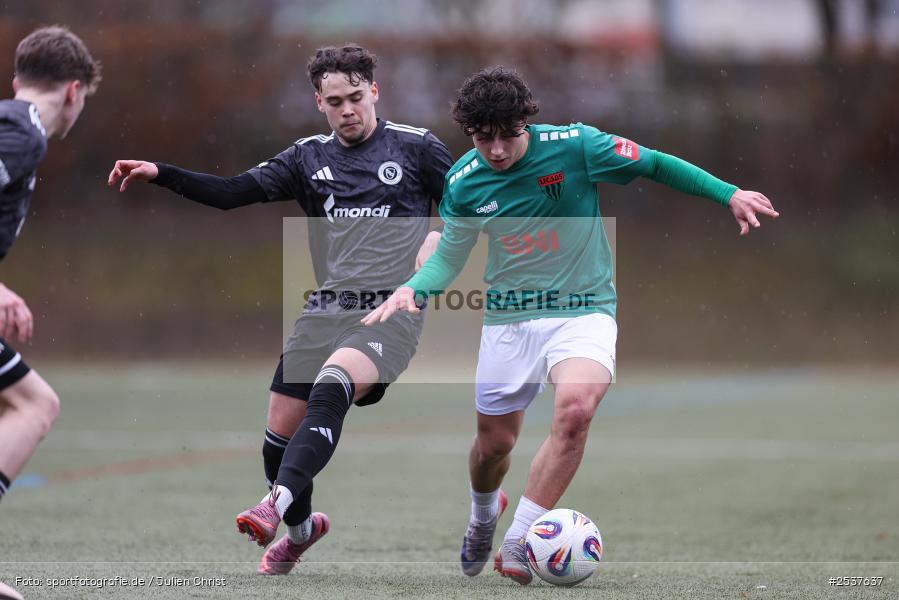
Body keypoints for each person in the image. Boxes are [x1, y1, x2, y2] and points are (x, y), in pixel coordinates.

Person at [363, 66, 779, 585]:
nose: (495, 149)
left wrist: (727, 194)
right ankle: (483, 514)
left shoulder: (577, 145)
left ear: (525, 122)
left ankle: (517, 541)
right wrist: (413, 289)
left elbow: (655, 164)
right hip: (509, 323)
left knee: (576, 411)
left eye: (506, 135)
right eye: (482, 138)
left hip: (584, 310)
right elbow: (450, 256)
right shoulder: (465, 181)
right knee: (493, 447)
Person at [108, 45, 452, 576]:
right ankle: (301, 530)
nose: (347, 110)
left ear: (374, 92)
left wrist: (438, 244)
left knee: (331, 386)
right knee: (277, 442)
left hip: (391, 312)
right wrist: (162, 173)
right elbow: (230, 193)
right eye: (334, 101)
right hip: (326, 309)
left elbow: (471, 212)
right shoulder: (307, 158)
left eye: (356, 98)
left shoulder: (417, 149)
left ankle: (272, 506)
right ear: (319, 101)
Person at [0, 25, 100, 600]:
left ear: (17, 82)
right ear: (73, 92)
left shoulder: (9, 123)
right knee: (35, 403)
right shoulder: (22, 133)